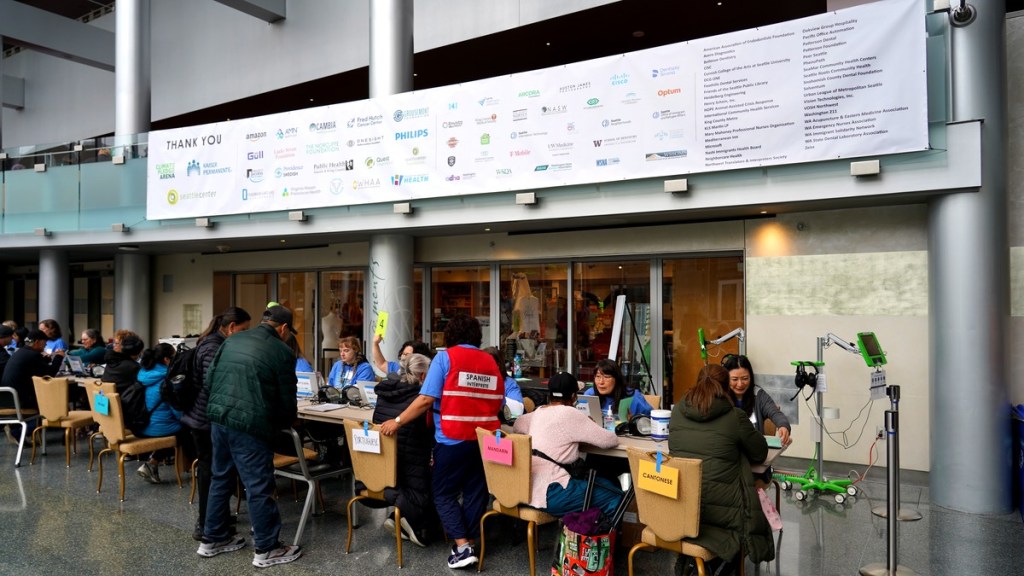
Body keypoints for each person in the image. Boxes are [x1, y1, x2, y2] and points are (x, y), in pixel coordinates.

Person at [379, 315, 505, 570]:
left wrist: (398, 421)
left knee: (443, 494)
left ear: (450, 335)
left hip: (452, 438)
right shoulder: (490, 361)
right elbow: (499, 400)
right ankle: (469, 542)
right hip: (485, 439)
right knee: (476, 493)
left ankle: (462, 546)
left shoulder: (445, 359)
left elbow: (426, 399)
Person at [198, 305, 301, 568]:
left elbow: (209, 380)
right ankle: (267, 549)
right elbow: (287, 401)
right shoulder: (282, 351)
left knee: (220, 477)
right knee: (258, 486)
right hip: (250, 425)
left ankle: (212, 538)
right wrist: (280, 423)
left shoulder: (233, 339)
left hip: (219, 419)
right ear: (283, 328)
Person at [668, 364, 774, 573]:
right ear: (727, 388)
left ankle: (699, 563)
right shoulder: (735, 416)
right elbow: (759, 453)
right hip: (725, 513)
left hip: (686, 506)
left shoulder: (678, 410)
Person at [180, 307, 252, 541]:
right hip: (205, 420)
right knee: (210, 473)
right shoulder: (214, 346)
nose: (246, 334)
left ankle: (215, 518)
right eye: (244, 329)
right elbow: (214, 383)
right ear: (231, 327)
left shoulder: (213, 342)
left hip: (203, 417)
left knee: (213, 471)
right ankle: (206, 524)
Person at [512, 372, 623, 517]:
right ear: (573, 396)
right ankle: (592, 530)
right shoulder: (570, 413)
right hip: (552, 491)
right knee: (616, 495)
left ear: (549, 394)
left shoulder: (539, 411)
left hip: (526, 488)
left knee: (608, 484)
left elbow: (517, 424)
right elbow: (609, 441)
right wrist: (588, 424)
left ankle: (582, 527)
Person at [369, 352, 437, 546]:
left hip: (384, 469)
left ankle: (398, 518)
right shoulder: (420, 401)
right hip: (411, 471)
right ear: (423, 376)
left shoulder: (384, 393)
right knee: (440, 477)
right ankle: (417, 526)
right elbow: (428, 434)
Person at [134, 343, 183, 485]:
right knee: (188, 428)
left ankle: (153, 463)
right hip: (157, 429)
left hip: (140, 425)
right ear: (167, 360)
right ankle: (154, 462)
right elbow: (177, 411)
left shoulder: (143, 374)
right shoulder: (167, 379)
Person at [721, 354, 791, 446]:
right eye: (734, 379)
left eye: (745, 378)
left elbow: (775, 413)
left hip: (754, 448)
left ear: (751, 377)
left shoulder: (758, 395)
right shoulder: (720, 397)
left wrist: (783, 426)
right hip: (727, 447)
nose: (740, 384)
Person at [0, 329, 65, 411]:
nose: (45, 346)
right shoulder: (33, 355)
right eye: (45, 343)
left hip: (8, 400)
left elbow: (36, 366)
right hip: (21, 403)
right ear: (37, 342)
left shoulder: (20, 352)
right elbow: (50, 375)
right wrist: (59, 357)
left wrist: (45, 359)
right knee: (58, 399)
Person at [584, 359, 652, 418]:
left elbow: (651, 420)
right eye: (598, 376)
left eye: (606, 377)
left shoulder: (633, 397)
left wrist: (634, 421)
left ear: (617, 379)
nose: (601, 382)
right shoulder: (590, 394)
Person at [483, 346, 525, 420]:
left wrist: (496, 397)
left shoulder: (508, 383)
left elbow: (518, 410)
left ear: (497, 365)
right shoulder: (477, 380)